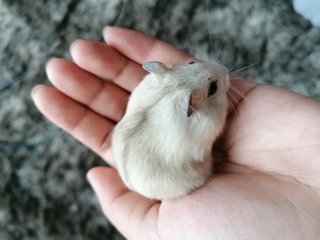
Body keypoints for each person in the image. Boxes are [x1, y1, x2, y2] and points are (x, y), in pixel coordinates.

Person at [31, 27, 320, 240]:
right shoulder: (197, 121)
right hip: (170, 177)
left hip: (141, 150)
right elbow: (197, 152)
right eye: (213, 88)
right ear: (193, 108)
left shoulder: (162, 86)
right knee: (196, 165)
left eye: (193, 65)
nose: (220, 73)